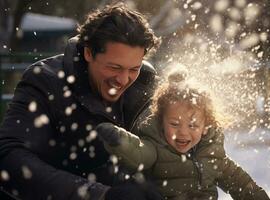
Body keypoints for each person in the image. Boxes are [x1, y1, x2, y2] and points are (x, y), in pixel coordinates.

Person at [0, 3, 161, 200]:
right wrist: (99, 194)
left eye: (133, 69)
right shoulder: (44, 81)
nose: (123, 79)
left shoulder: (145, 83)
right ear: (88, 53)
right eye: (114, 67)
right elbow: (10, 159)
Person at [96, 67, 270, 200]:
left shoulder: (212, 154)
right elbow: (139, 152)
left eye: (193, 125)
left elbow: (239, 182)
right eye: (174, 124)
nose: (183, 133)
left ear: (205, 126)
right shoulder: (155, 145)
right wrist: (120, 140)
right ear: (161, 121)